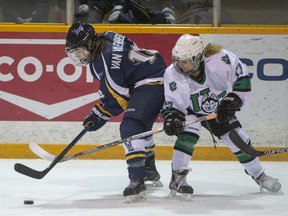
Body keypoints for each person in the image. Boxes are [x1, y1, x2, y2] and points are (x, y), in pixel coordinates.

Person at [161, 34, 282, 200]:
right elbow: (172, 104)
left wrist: (233, 101)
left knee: (237, 138)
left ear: (198, 56)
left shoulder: (221, 59)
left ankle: (259, 175)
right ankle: (177, 178)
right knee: (188, 136)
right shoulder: (171, 73)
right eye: (178, 60)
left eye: (186, 60)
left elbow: (242, 77)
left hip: (218, 108)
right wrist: (172, 118)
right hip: (190, 111)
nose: (181, 65)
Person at [65, 22, 166, 202]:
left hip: (152, 80)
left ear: (89, 44)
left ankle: (137, 180)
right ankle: (148, 170)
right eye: (74, 53)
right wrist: (102, 109)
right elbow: (121, 84)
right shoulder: (107, 36)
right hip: (149, 72)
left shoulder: (104, 60)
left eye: (79, 51)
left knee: (130, 126)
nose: (78, 57)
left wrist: (100, 114)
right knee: (141, 124)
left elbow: (119, 99)